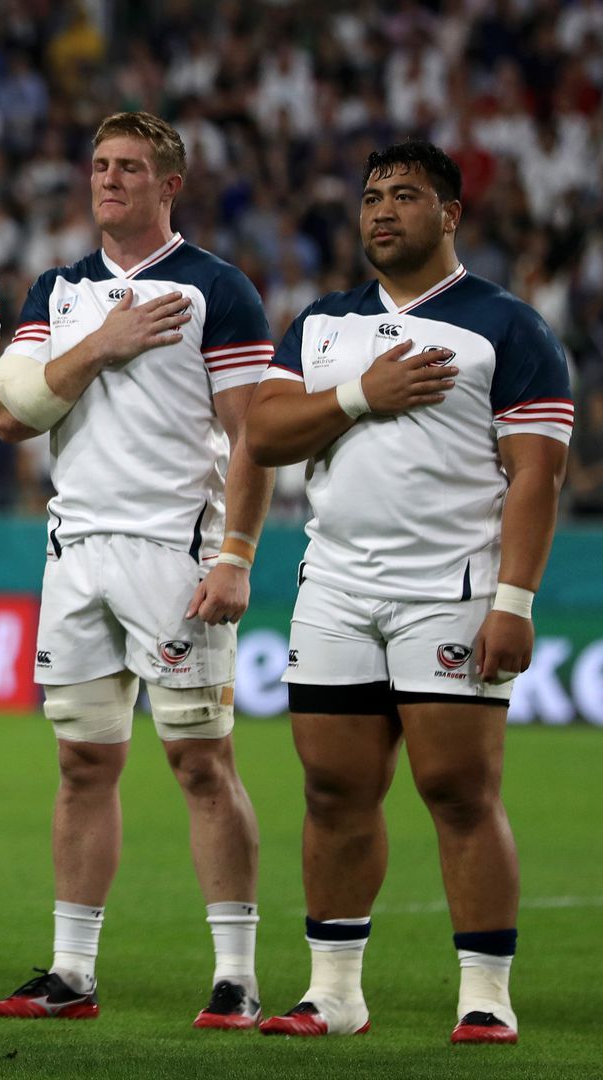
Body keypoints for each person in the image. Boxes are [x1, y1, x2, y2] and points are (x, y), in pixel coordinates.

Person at [245, 140, 569, 1046]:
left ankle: (486, 997)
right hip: (337, 589)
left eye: (407, 196)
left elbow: (537, 475)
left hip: (452, 592)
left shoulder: (508, 327)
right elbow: (264, 435)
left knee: (458, 788)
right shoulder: (320, 325)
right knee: (332, 790)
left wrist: (516, 600)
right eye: (372, 195)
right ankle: (335, 994)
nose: (382, 210)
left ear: (451, 214)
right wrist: (359, 395)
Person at [0, 112, 274, 1029]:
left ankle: (236, 975)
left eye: (130, 168)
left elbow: (252, 434)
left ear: (168, 184)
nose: (109, 180)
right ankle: (71, 973)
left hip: (174, 556)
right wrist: (101, 343)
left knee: (200, 762)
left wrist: (236, 554)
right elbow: (11, 416)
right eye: (100, 166)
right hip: (73, 557)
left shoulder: (216, 288)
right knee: (81, 766)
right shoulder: (58, 291)